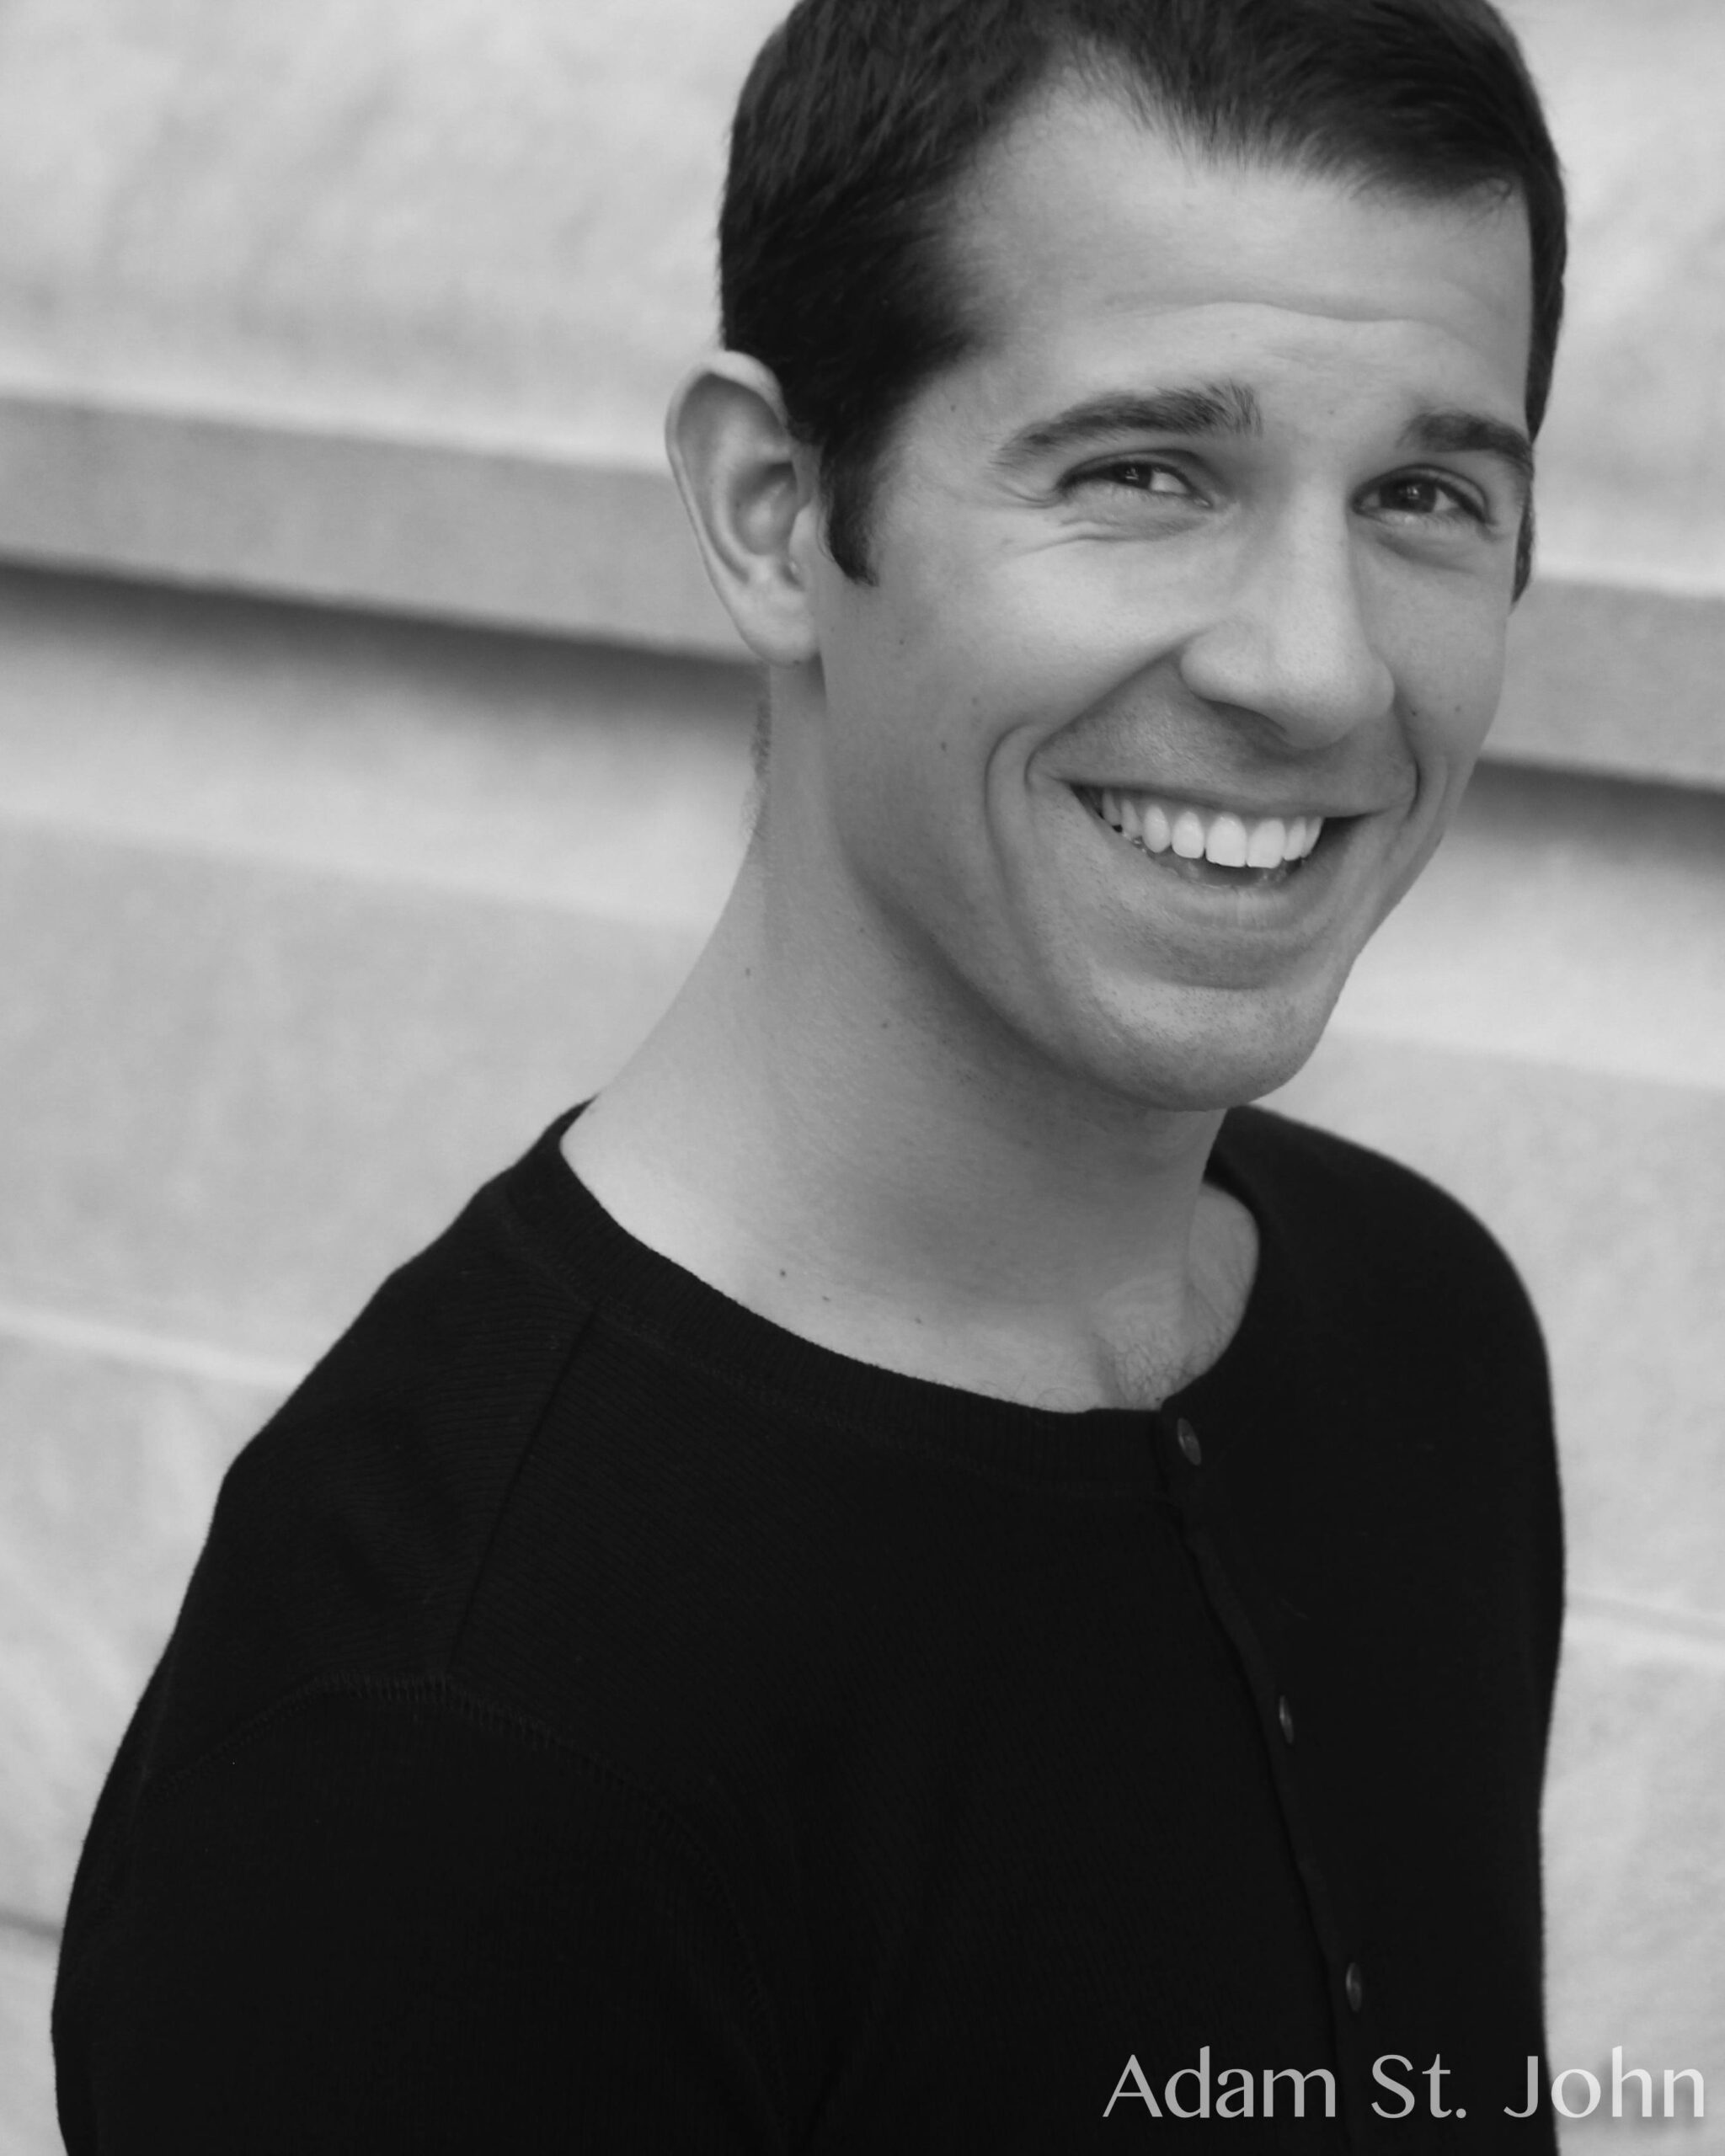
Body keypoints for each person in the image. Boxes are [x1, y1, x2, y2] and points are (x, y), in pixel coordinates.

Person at [53, 0, 1568, 2146]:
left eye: (1423, 492)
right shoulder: (431, 1736)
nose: (1313, 668)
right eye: (1142, 472)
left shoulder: (1421, 1325)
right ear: (773, 510)